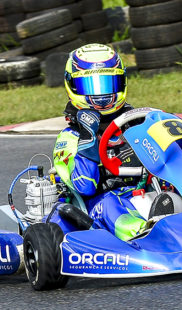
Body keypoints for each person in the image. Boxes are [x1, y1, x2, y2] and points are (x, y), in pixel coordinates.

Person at [52, 43, 146, 240]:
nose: (101, 95)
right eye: (91, 85)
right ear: (73, 86)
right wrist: (89, 137)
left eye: (108, 84)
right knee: (110, 203)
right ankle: (140, 234)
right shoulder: (69, 137)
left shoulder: (138, 124)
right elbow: (85, 186)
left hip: (143, 195)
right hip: (96, 207)